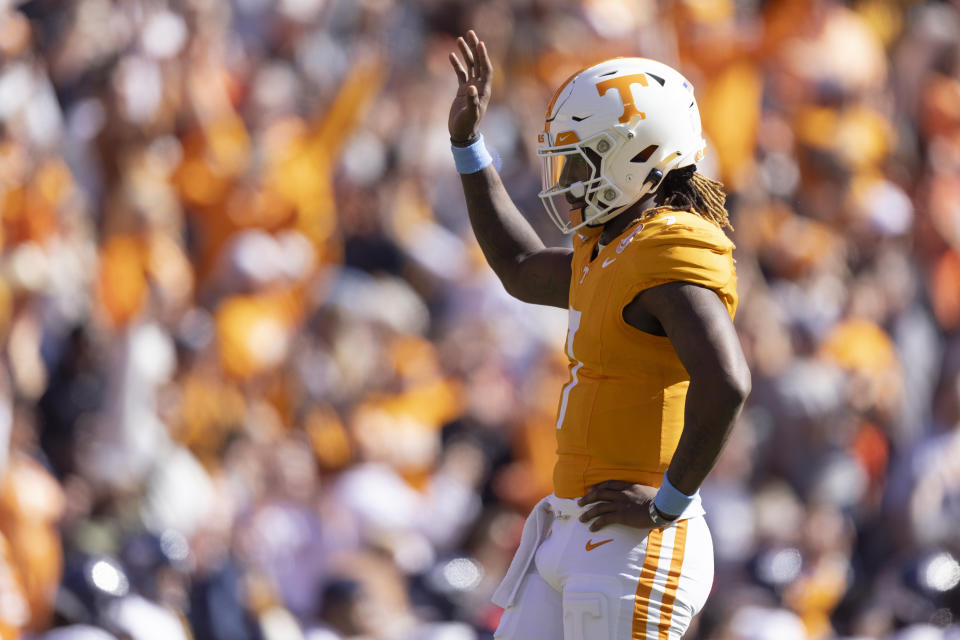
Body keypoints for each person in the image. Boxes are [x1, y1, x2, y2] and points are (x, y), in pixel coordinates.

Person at [447, 31, 752, 639]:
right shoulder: (611, 248)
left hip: (635, 543)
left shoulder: (669, 247)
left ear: (640, 154)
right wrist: (468, 146)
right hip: (573, 527)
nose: (570, 176)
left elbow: (727, 384)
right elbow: (518, 267)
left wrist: (670, 502)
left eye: (585, 157)